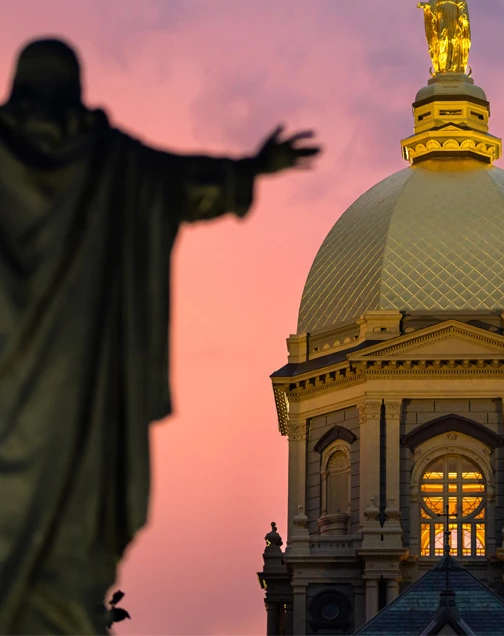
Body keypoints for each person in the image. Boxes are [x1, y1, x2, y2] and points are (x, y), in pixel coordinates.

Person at [0, 37, 321, 635]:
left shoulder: (106, 161)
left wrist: (246, 168)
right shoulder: (105, 161)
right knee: (74, 516)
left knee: (66, 522)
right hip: (81, 379)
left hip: (57, 382)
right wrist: (249, 168)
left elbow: (171, 178)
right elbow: (174, 179)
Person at [417, 0, 471, 75]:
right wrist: (426, 5)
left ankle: (454, 64)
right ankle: (443, 65)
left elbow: (462, 6)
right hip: (441, 17)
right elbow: (432, 3)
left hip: (454, 18)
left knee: (454, 40)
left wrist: (463, 17)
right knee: (442, 40)